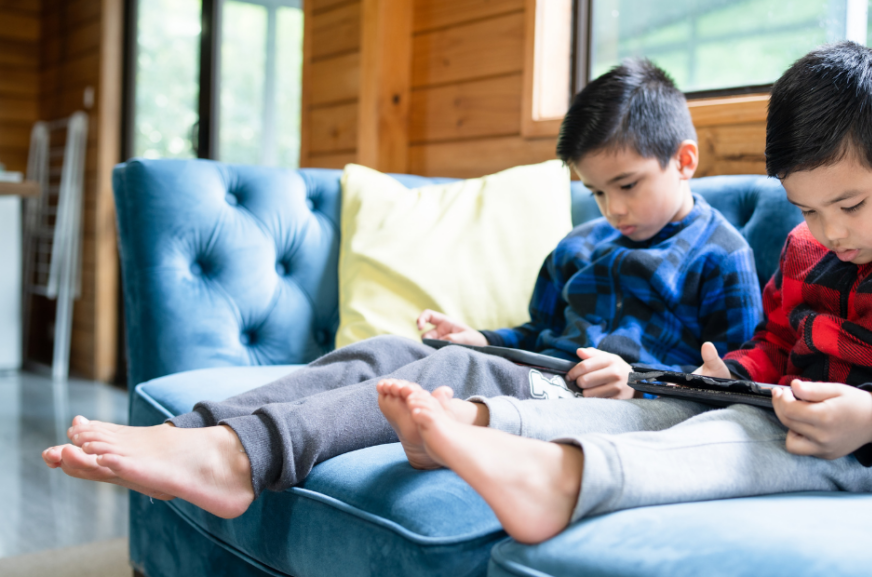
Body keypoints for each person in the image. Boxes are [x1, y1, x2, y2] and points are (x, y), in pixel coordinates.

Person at [41, 59, 763, 519]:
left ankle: (240, 459)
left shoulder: (720, 255)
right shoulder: (580, 245)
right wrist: (483, 336)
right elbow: (536, 336)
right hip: (545, 374)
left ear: (685, 159)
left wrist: (638, 380)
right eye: (597, 191)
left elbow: (736, 380)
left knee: (450, 375)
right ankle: (191, 431)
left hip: (607, 405)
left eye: (628, 186)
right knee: (392, 345)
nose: (613, 209)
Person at [375, 41, 872, 545]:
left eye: (848, 204)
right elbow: (773, 344)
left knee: (745, 440)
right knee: (669, 401)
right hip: (798, 420)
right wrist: (727, 374)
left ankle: (560, 480)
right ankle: (480, 422)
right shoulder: (810, 245)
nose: (828, 232)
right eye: (806, 210)